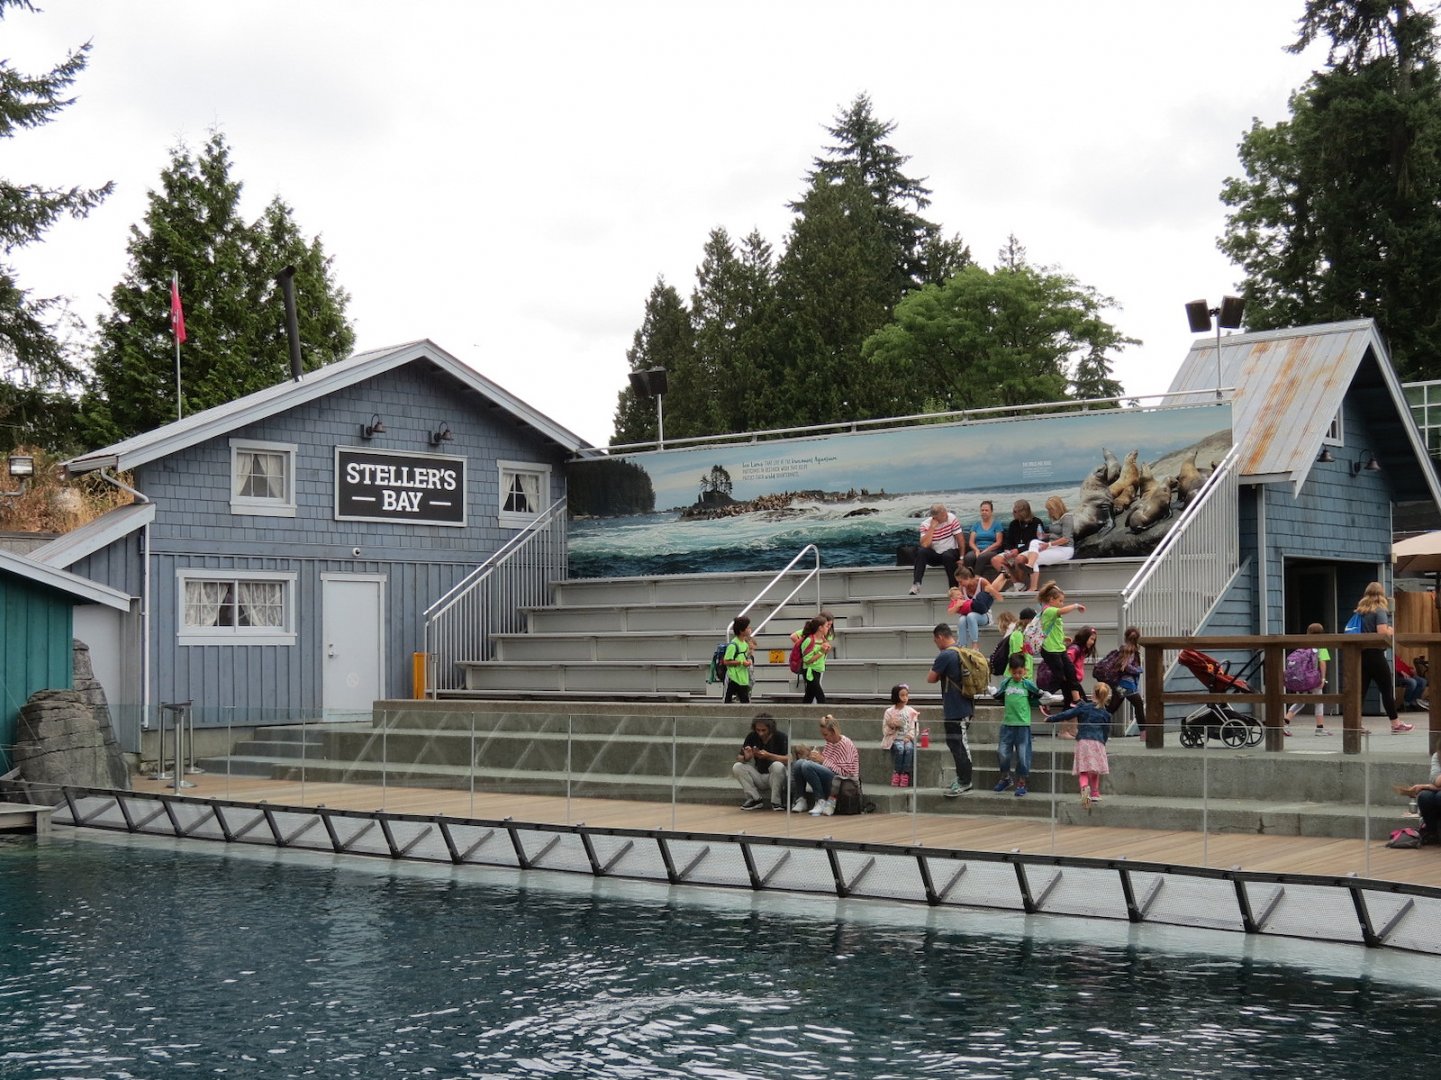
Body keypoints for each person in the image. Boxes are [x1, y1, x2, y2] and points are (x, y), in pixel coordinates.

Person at [1354, 581, 1413, 734]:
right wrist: (1390, 630)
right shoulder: (1379, 610)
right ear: (1381, 594)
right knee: (1386, 689)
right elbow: (1381, 633)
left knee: (1360, 691)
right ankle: (1395, 723)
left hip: (1361, 653)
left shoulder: (1360, 611)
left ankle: (1354, 724)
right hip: (1375, 654)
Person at [926, 622, 975, 797]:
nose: (936, 644)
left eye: (935, 641)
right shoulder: (961, 650)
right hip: (964, 706)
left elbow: (930, 678)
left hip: (956, 709)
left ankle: (965, 781)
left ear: (940, 637)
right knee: (956, 744)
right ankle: (962, 778)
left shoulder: (946, 655)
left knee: (960, 745)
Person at [1046, 683, 1114, 809]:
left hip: (1083, 742)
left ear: (1093, 694)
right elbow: (1106, 731)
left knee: (1083, 770)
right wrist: (1103, 742)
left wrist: (1051, 718)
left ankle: (1085, 793)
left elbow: (1068, 714)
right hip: (1097, 743)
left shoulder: (1084, 707)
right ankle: (1095, 793)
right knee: (1095, 770)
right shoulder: (1106, 714)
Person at [790, 714, 859, 816]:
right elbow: (825, 762)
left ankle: (820, 800)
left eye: (826, 734)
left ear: (833, 732)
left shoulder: (845, 744)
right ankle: (801, 799)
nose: (824, 737)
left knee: (807, 766)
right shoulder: (830, 743)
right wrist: (815, 758)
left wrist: (822, 760)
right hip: (831, 775)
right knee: (799, 763)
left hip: (842, 780)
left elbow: (846, 773)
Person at [994, 653, 1041, 797]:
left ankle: (1022, 782)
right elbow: (998, 695)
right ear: (1010, 671)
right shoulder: (1006, 683)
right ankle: (1005, 777)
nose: (1017, 675)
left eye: (1020, 672)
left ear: (1024, 671)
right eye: (1014, 673)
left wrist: (1045, 698)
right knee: (1002, 752)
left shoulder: (1026, 684)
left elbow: (1038, 694)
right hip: (1007, 724)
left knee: (1023, 755)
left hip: (1022, 725)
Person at [1036, 581, 1086, 707]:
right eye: (1060, 601)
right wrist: (1075, 605)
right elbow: (1062, 611)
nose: (1061, 604)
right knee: (1059, 676)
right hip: (1050, 650)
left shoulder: (1053, 612)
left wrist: (1063, 638)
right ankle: (1045, 695)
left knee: (1071, 671)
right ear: (1051, 600)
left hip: (1059, 648)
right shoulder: (1048, 611)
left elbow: (1052, 629)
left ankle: (1076, 699)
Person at [731, 713, 790, 811]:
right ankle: (755, 799)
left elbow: (789, 759)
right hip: (759, 774)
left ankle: (776, 801)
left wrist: (769, 756)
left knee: (777, 766)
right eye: (758, 730)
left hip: (775, 776)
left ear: (770, 728)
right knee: (737, 766)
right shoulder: (752, 736)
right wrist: (746, 757)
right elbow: (739, 757)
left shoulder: (781, 737)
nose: (760, 733)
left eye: (763, 730)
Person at [1018, 496, 1076, 592]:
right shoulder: (1054, 519)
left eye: (1050, 509)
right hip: (1054, 546)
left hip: (1065, 549)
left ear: (1057, 507)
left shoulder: (1067, 517)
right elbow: (1055, 535)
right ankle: (1030, 565)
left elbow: (1066, 538)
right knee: (1034, 542)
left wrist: (1048, 545)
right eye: (1048, 509)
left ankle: (1033, 587)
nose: (1049, 512)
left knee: (1034, 558)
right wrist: (1045, 536)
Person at [1283, 622, 1331, 736]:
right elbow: (1322, 662)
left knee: (1300, 701)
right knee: (1318, 701)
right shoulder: (1321, 645)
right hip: (1313, 679)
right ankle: (1319, 729)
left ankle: (1284, 723)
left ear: (1308, 632)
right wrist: (1323, 678)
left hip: (1301, 677)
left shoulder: (1303, 644)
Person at [990, 500, 1046, 593]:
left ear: (1022, 512)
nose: (1013, 513)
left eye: (1015, 511)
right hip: (1014, 551)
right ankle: (1017, 584)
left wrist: (1018, 550)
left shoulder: (1036, 522)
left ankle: (1019, 586)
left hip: (1029, 551)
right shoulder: (1013, 524)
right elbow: (1008, 540)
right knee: (995, 560)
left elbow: (1036, 541)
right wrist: (1008, 550)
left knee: (1019, 559)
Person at [909, 503, 965, 595]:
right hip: (936, 554)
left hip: (951, 553)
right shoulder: (925, 524)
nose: (946, 516)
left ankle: (954, 589)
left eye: (946, 512)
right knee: (921, 552)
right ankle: (916, 584)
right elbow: (925, 545)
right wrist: (932, 528)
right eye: (943, 515)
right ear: (935, 517)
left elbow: (960, 539)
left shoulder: (952, 518)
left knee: (947, 556)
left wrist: (962, 558)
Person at [1103, 626, 1147, 736]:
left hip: (1119, 684)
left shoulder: (1124, 649)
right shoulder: (1130, 650)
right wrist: (1139, 670)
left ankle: (1099, 727)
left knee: (1112, 707)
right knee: (1138, 705)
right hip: (1127, 685)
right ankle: (1144, 733)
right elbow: (1126, 666)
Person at [947, 566, 1003, 649]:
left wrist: (991, 590)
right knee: (962, 619)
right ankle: (962, 645)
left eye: (960, 581)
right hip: (968, 615)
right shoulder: (962, 588)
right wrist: (957, 605)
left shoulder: (981, 582)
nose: (960, 584)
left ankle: (975, 644)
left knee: (971, 616)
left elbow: (999, 598)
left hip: (983, 615)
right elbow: (952, 611)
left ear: (968, 578)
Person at [1394, 746, 1441, 842]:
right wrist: (1427, 787)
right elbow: (1436, 781)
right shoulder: (1437, 756)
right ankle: (1432, 832)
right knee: (1425, 797)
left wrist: (1426, 786)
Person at [881, 683, 920, 787]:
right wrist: (892, 726)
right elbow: (885, 730)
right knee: (900, 749)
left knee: (909, 749)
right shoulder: (889, 712)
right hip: (895, 739)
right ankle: (897, 772)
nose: (905, 698)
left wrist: (909, 736)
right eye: (902, 695)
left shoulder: (911, 711)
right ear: (896, 696)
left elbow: (915, 727)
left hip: (907, 738)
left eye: (906, 695)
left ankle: (905, 773)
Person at [793, 614, 832, 705]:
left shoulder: (823, 639)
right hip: (810, 671)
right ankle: (826, 714)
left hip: (818, 669)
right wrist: (821, 651)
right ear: (820, 628)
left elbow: (823, 653)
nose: (828, 628)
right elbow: (807, 659)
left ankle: (802, 713)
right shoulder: (809, 640)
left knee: (809, 696)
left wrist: (826, 650)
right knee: (820, 697)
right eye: (826, 626)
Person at [721, 615, 756, 704]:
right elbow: (726, 661)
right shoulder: (733, 645)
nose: (749, 629)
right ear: (741, 630)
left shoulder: (745, 644)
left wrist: (748, 661)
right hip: (733, 679)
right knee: (728, 703)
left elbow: (744, 657)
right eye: (747, 627)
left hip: (743, 679)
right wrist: (741, 662)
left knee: (745, 703)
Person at [967, 499, 1004, 572]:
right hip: (977, 549)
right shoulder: (976, 525)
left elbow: (998, 543)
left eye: (986, 510)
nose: (984, 512)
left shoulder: (997, 524)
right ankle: (968, 577)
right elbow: (971, 542)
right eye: (982, 510)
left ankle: (977, 578)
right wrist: (976, 550)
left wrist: (985, 551)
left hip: (991, 550)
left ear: (991, 512)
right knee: (969, 557)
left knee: (982, 557)